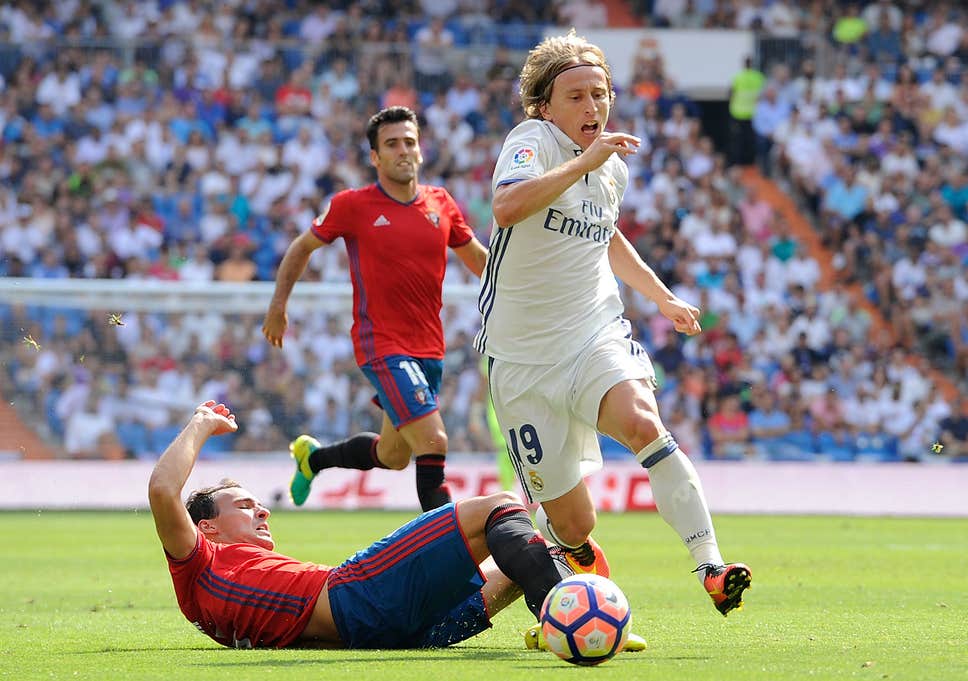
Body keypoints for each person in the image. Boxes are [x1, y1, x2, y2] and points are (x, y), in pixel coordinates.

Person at [476, 31, 751, 616]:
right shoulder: (533, 141)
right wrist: (584, 162)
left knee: (642, 421)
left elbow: (607, 237)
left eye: (600, 94)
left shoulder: (608, 168)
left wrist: (662, 297)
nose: (592, 107)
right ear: (545, 106)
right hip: (521, 359)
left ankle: (711, 565)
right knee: (575, 523)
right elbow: (505, 207)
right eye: (575, 96)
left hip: (592, 334)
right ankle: (568, 573)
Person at [148, 401, 648, 650]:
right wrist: (200, 422)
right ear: (207, 529)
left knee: (529, 551)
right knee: (496, 507)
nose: (263, 510)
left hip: (396, 633)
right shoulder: (198, 562)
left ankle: (565, 599)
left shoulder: (211, 591)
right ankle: (562, 614)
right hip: (358, 598)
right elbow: (162, 492)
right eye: (243, 504)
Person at [263, 106, 488, 512]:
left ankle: (313, 459)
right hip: (382, 345)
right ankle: (451, 557)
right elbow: (302, 247)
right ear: (375, 157)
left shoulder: (442, 203)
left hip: (429, 349)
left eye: (409, 142)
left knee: (393, 455)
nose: (403, 150)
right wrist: (278, 305)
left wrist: (527, 291)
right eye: (391, 144)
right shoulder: (353, 205)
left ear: (420, 150)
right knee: (434, 442)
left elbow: (477, 259)